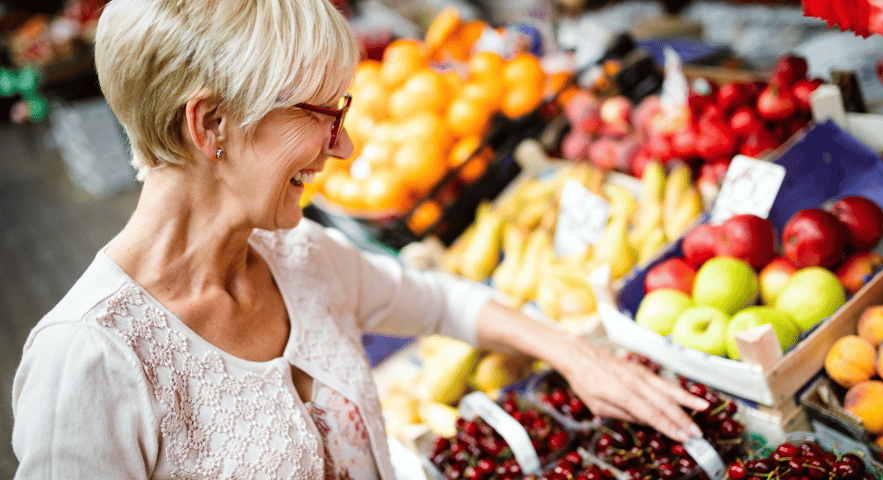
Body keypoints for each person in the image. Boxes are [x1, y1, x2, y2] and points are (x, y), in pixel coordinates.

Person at [10, 0, 709, 478]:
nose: (343, 145)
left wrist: (574, 355)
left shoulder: (301, 257)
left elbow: (440, 302)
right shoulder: (89, 360)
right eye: (321, 112)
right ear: (211, 125)